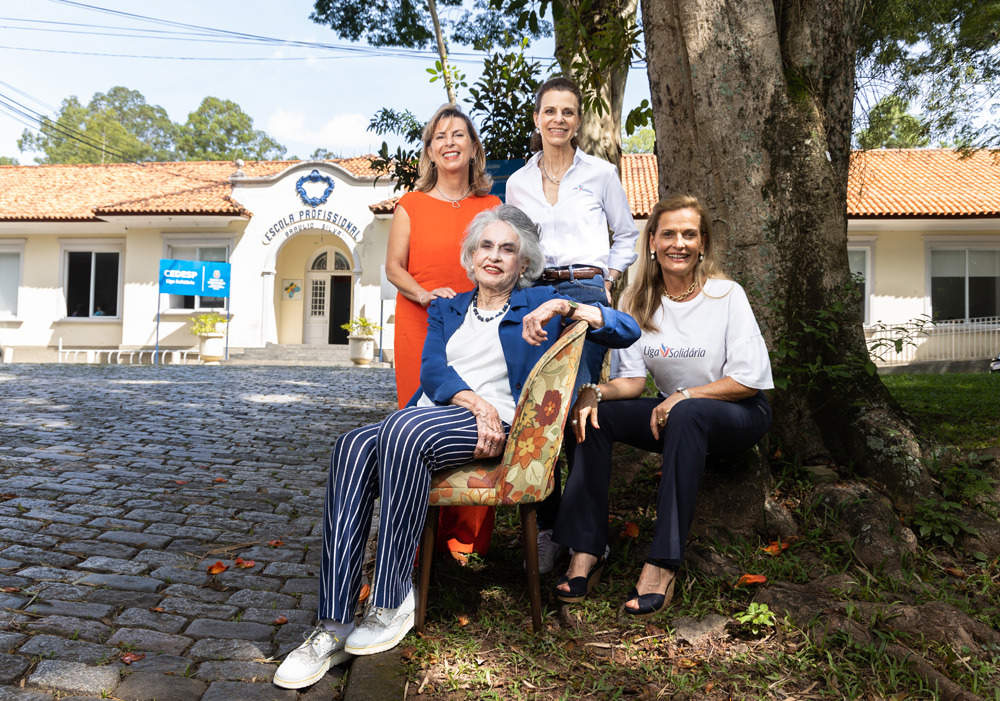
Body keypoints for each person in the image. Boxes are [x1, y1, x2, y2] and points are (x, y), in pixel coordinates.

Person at [273, 205, 639, 690]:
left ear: (522, 263)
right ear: (469, 257)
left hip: (497, 428)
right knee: (350, 445)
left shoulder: (540, 303)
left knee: (401, 431)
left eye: (508, 249)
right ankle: (333, 624)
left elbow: (625, 328)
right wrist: (471, 401)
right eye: (485, 246)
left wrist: (566, 307)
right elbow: (432, 370)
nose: (495, 256)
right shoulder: (448, 307)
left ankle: (391, 599)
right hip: (446, 413)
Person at [552, 194, 773, 617]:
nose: (679, 243)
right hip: (674, 415)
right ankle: (587, 549)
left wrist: (685, 395)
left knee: (688, 413)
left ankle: (662, 563)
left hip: (739, 413)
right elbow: (633, 382)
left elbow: (748, 379)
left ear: (703, 242)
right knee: (596, 418)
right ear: (651, 241)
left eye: (690, 234)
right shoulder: (638, 301)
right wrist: (594, 393)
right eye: (668, 233)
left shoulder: (726, 295)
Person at [505, 76, 640, 573]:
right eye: (549, 111)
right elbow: (517, 244)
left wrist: (606, 277)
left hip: (584, 292)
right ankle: (548, 527)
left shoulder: (602, 174)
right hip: (535, 294)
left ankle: (584, 531)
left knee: (579, 404)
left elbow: (626, 235)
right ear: (537, 119)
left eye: (568, 112)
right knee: (537, 406)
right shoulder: (518, 182)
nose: (558, 119)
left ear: (578, 120)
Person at [386, 104, 502, 563]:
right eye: (440, 136)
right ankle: (416, 544)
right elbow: (394, 268)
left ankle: (464, 542)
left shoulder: (492, 207)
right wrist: (425, 295)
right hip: (420, 323)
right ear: (430, 152)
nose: (450, 142)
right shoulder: (410, 205)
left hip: (478, 327)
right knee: (416, 426)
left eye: (459, 134)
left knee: (475, 416)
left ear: (473, 148)